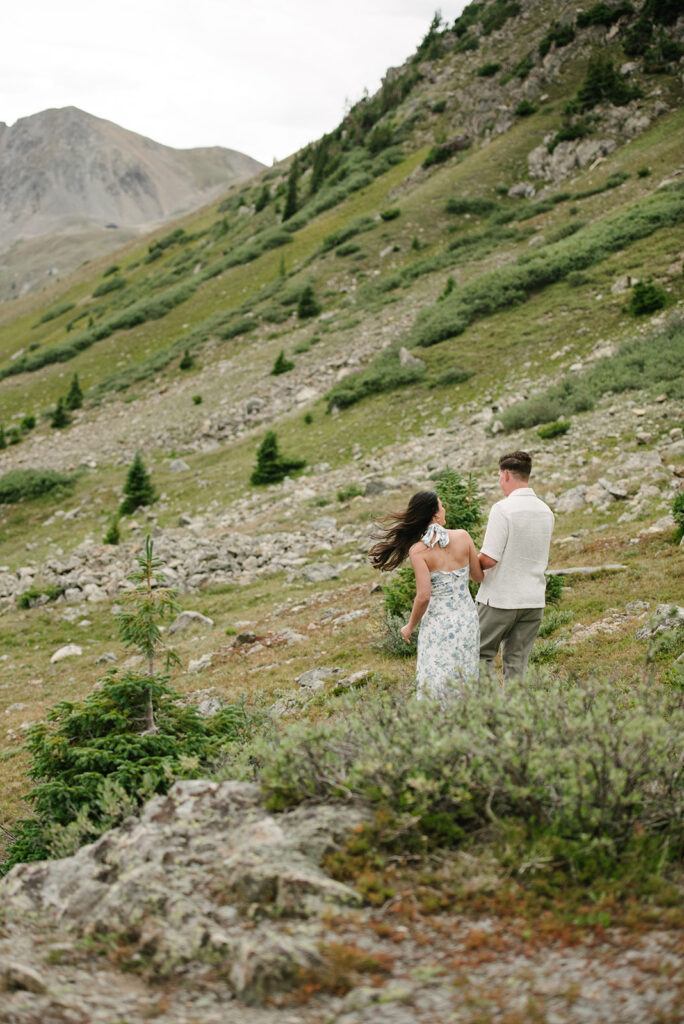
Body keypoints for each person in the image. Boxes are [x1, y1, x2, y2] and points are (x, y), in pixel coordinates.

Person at [370, 490, 483, 700]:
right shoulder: (463, 536)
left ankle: (438, 721)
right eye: (441, 506)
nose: (445, 509)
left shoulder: (418, 551)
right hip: (467, 620)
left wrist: (410, 626)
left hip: (438, 625)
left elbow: (423, 596)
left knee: (436, 675)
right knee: (465, 674)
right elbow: (477, 577)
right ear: (435, 515)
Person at [477, 450, 554, 681]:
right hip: (533, 599)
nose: (500, 481)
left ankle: (486, 712)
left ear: (507, 475)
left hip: (500, 598)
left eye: (500, 475)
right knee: (517, 663)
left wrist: (470, 562)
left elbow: (489, 559)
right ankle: (514, 715)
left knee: (479, 654)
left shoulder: (503, 509)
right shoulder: (546, 512)